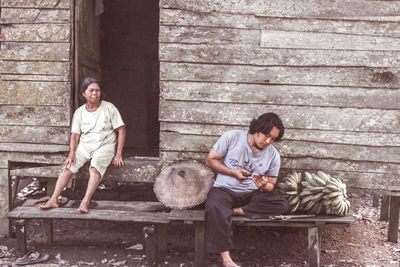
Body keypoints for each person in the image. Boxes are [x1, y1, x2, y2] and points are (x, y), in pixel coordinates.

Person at [205, 112, 289, 267]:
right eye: (266, 135)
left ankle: (234, 210)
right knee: (214, 205)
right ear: (257, 128)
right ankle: (227, 260)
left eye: (273, 139)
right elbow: (210, 160)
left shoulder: (273, 155)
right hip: (225, 190)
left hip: (252, 194)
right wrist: (232, 172)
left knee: (282, 204)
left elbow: (271, 185)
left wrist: (263, 185)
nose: (268, 141)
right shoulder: (232, 137)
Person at [40, 77, 126, 213]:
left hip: (105, 145)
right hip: (85, 146)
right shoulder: (79, 112)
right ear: (83, 94)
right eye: (91, 90)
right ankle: (53, 199)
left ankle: (85, 201)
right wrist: (71, 154)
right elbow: (75, 135)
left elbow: (121, 130)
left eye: (97, 90)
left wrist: (118, 154)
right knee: (68, 167)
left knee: (95, 167)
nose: (94, 93)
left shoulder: (109, 108)